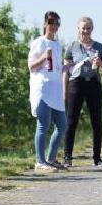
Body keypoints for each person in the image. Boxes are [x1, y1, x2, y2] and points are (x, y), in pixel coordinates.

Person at [63, 17, 102, 167]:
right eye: (83, 28)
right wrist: (63, 92)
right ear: (78, 28)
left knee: (96, 122)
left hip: (93, 84)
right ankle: (67, 157)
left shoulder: (100, 47)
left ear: (92, 29)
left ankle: (97, 158)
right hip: (75, 85)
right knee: (71, 122)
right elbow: (66, 71)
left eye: (88, 28)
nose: (85, 31)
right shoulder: (71, 47)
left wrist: (100, 63)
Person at [28, 11, 68, 172]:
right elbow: (31, 66)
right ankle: (40, 161)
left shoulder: (57, 44)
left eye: (57, 23)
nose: (54, 26)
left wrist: (69, 67)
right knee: (43, 125)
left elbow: (57, 68)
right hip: (43, 88)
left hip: (56, 90)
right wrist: (44, 57)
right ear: (45, 24)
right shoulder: (39, 42)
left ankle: (50, 159)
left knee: (62, 125)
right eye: (51, 22)